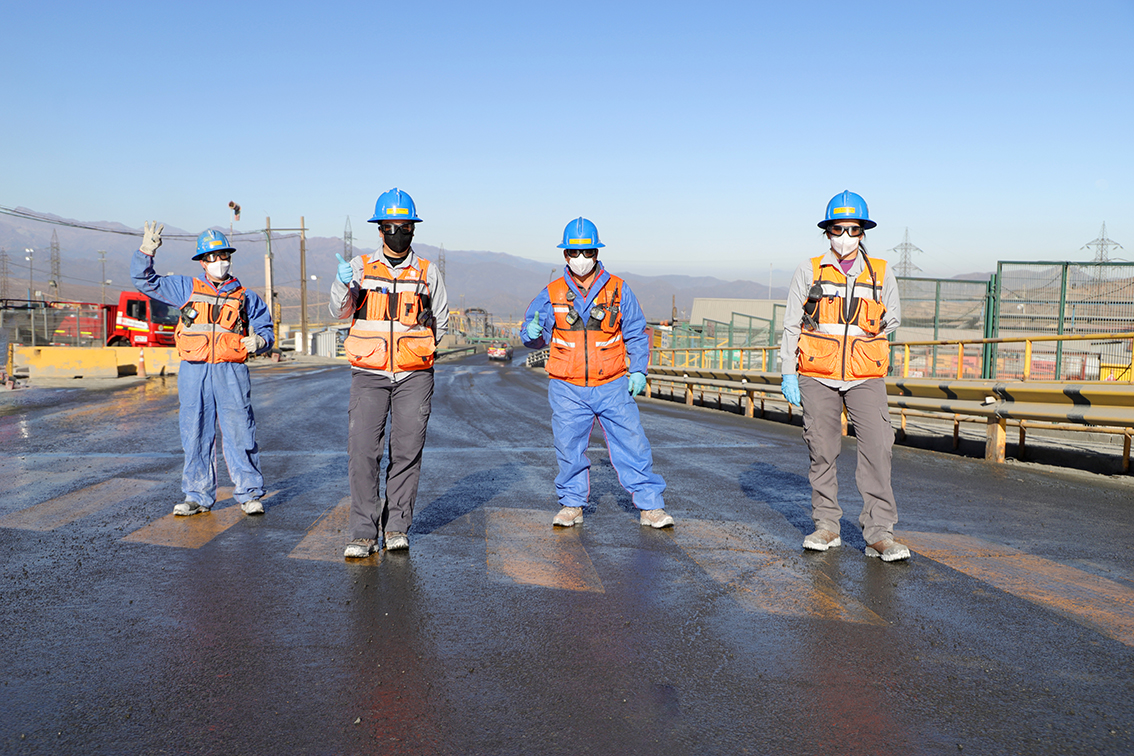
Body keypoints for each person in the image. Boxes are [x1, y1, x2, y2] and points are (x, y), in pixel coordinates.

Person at [779, 191, 909, 561]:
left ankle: (880, 533)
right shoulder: (810, 269)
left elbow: (893, 316)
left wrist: (870, 330)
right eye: (838, 229)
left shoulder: (881, 271)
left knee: (877, 449)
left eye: (854, 229)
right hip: (817, 373)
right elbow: (791, 323)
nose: (845, 236)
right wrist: (789, 371)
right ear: (827, 232)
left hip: (865, 374)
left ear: (863, 232)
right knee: (822, 450)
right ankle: (826, 526)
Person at [522, 217, 672, 529]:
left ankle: (650, 506)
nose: (580, 259)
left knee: (632, 442)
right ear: (565, 255)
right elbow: (531, 333)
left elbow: (636, 332)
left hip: (612, 383)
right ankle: (571, 505)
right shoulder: (551, 292)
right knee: (569, 446)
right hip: (567, 386)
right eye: (573, 253)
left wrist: (639, 371)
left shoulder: (618, 289)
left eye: (586, 252)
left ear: (596, 253)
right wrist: (532, 332)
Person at [331, 188, 448, 558]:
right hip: (369, 373)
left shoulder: (428, 272)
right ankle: (364, 532)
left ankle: (397, 526)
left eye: (405, 226)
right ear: (379, 229)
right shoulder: (361, 268)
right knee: (363, 451)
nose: (399, 232)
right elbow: (340, 310)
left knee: (407, 451)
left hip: (414, 375)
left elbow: (440, 321)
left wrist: (419, 351)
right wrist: (341, 282)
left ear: (413, 229)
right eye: (391, 226)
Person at [132, 223, 274, 516]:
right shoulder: (186, 288)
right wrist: (147, 250)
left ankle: (248, 493)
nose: (217, 262)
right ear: (202, 261)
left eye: (221, 255)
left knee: (240, 432)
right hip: (194, 372)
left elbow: (266, 329)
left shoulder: (246, 297)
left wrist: (259, 340)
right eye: (210, 257)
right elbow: (145, 281)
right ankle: (196, 495)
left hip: (230, 371)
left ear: (229, 258)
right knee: (195, 432)